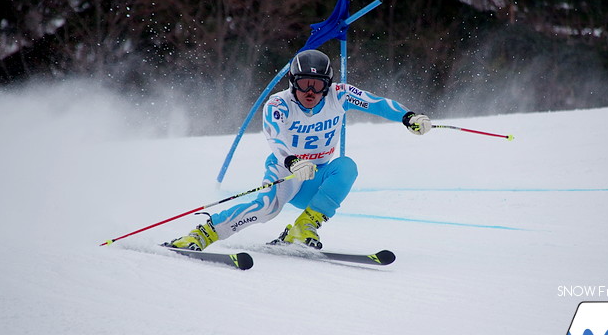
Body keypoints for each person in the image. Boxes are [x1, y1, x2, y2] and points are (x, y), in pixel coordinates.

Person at [165, 49, 431, 251]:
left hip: (318, 177)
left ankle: (303, 228)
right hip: (286, 171)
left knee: (346, 166)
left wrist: (408, 117)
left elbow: (377, 103)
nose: (311, 92)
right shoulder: (279, 103)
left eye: (318, 85)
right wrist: (293, 162)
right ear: (293, 81)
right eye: (304, 83)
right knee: (266, 208)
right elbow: (274, 137)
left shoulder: (339, 95)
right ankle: (202, 234)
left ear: (328, 84)